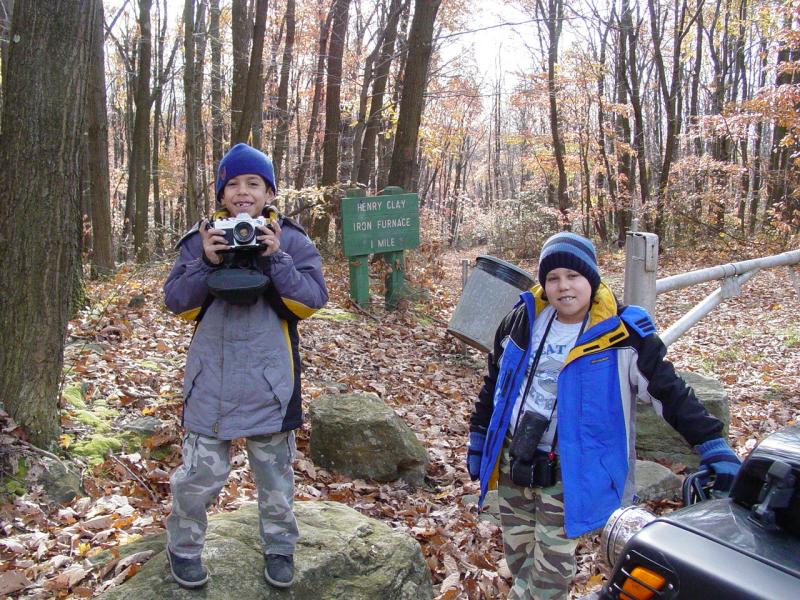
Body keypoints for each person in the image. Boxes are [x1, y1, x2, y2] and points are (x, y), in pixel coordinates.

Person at [466, 232, 740, 599]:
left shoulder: (622, 333)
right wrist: (480, 438)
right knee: (519, 559)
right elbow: (495, 383)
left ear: (591, 279)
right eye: (553, 278)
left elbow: (669, 391)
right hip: (516, 457)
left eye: (573, 276)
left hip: (571, 469)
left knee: (549, 574)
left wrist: (712, 443)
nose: (563, 286)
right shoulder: (521, 320)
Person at [163, 143, 328, 590]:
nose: (242, 192)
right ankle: (184, 547)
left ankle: (279, 548)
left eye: (253, 183)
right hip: (210, 380)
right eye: (232, 183)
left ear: (269, 191)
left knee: (275, 477)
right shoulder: (200, 239)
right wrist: (205, 261)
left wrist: (276, 258)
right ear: (221, 194)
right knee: (198, 476)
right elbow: (176, 304)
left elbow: (310, 303)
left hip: (270, 382)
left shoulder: (292, 240)